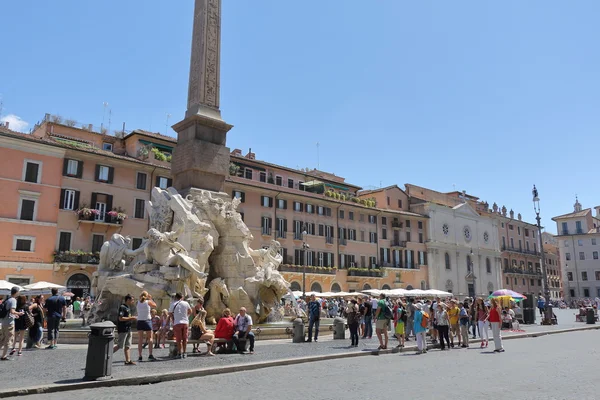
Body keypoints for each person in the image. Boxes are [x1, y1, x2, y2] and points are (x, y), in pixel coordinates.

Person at [1, 287, 24, 360]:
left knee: (2, 339)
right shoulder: (13, 300)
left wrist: (15, 315)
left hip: (4, 322)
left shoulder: (7, 299)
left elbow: (8, 312)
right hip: (9, 323)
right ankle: (4, 356)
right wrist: (19, 313)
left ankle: (3, 355)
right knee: (8, 339)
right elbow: (12, 311)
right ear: (17, 292)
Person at [113, 294, 137, 365]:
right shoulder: (122, 307)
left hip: (128, 328)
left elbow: (127, 318)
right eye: (132, 300)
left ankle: (128, 360)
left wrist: (131, 318)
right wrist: (132, 318)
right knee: (120, 345)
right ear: (128, 300)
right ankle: (106, 355)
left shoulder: (128, 307)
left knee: (128, 345)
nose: (133, 301)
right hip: (123, 329)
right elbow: (120, 318)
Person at [169, 292, 192, 359]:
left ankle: (180, 353)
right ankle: (184, 352)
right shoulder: (186, 303)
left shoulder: (172, 304)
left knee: (178, 340)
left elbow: (170, 314)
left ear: (176, 297)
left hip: (177, 322)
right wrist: (187, 316)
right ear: (182, 297)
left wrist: (173, 319)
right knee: (185, 339)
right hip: (185, 322)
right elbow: (190, 311)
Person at [136, 291, 157, 361]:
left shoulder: (138, 302)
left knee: (140, 339)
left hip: (139, 321)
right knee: (150, 338)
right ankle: (150, 355)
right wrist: (150, 298)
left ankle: (140, 356)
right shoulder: (148, 302)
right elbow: (155, 305)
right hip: (147, 320)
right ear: (147, 296)